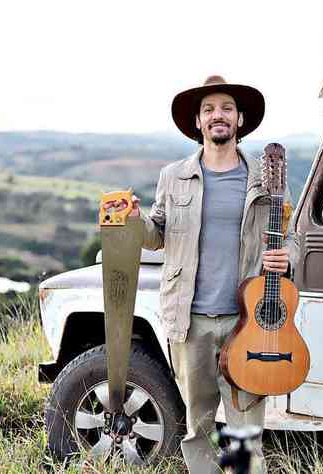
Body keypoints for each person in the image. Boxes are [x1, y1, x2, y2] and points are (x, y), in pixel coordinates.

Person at [107, 75, 297, 473]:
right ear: (197, 122)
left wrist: (287, 258)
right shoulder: (173, 176)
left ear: (240, 119)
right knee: (198, 427)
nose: (218, 116)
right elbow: (156, 235)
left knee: (244, 432)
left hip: (250, 324)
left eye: (227, 108)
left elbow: (289, 237)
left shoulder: (264, 181)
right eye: (209, 110)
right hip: (190, 321)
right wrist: (134, 221)